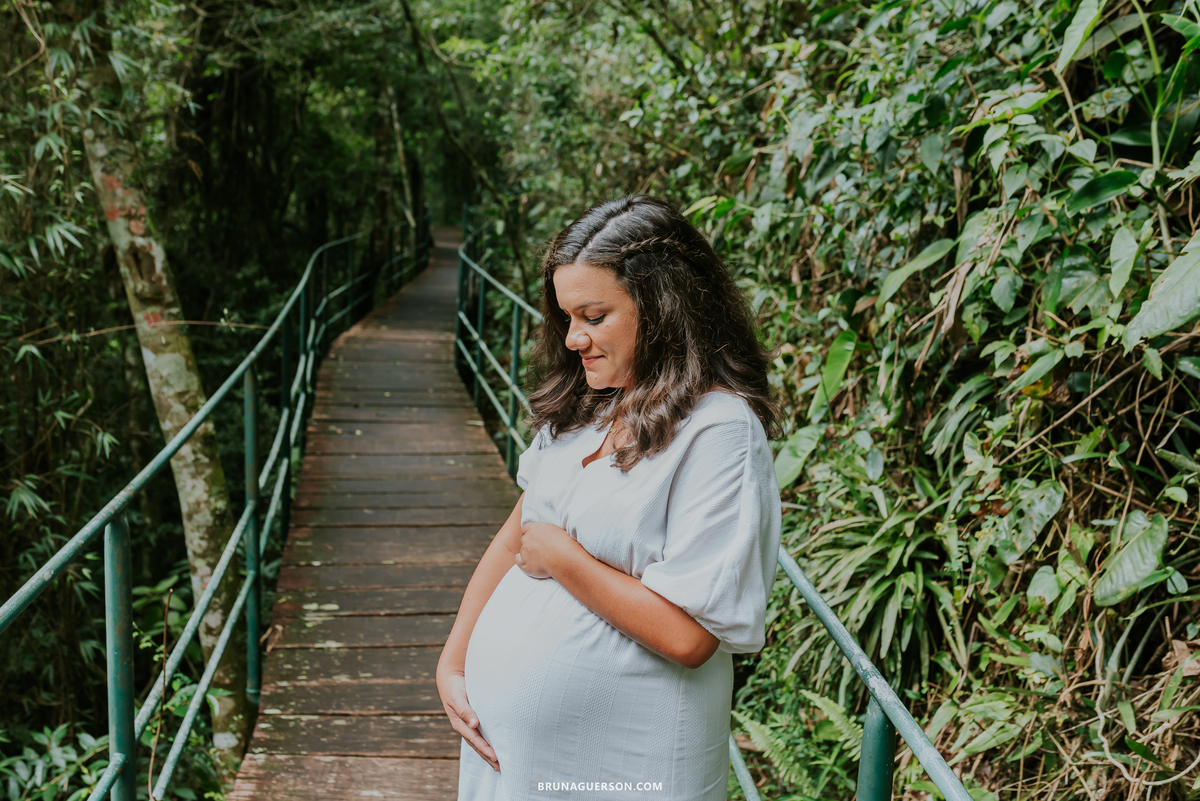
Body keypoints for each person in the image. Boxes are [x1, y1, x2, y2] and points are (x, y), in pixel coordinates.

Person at [437, 195, 783, 800]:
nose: (573, 339)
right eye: (567, 317)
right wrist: (455, 662)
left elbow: (691, 637)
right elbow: (520, 531)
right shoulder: (591, 407)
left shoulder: (718, 430)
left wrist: (563, 559)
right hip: (513, 762)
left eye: (593, 316)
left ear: (664, 307)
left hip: (626, 762)